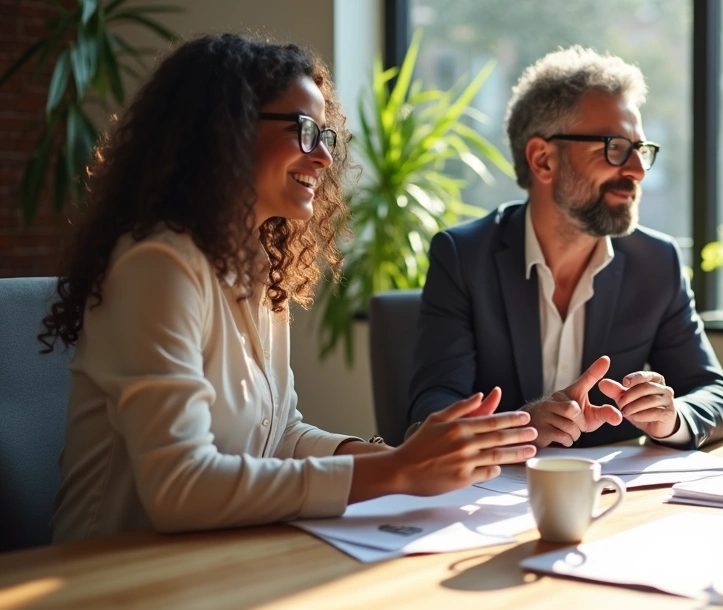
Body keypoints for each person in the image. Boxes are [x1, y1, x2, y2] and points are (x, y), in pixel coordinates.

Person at [41, 34, 537, 543]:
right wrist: (397, 472)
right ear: (224, 132)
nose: (323, 158)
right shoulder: (157, 264)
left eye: (326, 135)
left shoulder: (257, 268)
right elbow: (180, 486)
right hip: (111, 578)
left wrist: (406, 460)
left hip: (216, 558)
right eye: (303, 129)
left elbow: (282, 436)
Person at [407, 46, 723, 450]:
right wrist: (521, 427)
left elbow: (718, 394)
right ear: (543, 159)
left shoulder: (657, 263)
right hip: (491, 499)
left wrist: (671, 418)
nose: (636, 171)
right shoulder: (463, 258)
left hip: (618, 500)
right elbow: (431, 413)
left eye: (641, 151)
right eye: (615, 148)